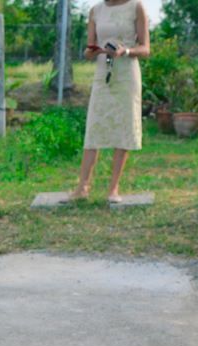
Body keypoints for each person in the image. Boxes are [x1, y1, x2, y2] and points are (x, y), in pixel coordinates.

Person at [72, 0, 149, 203]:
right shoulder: (96, 11)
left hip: (126, 73)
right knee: (94, 125)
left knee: (123, 126)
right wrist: (95, 51)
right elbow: (88, 50)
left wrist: (126, 51)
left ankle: (113, 188)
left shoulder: (136, 7)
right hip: (103, 72)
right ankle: (83, 187)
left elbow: (145, 48)